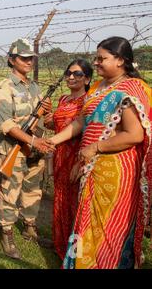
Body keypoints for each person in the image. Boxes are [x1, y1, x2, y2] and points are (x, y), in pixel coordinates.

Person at [50, 36, 152, 269]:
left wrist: (94, 148)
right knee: (85, 223)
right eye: (96, 58)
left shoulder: (130, 89)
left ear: (120, 61)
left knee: (107, 228)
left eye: (101, 58)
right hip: (92, 167)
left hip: (115, 172)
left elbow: (134, 134)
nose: (95, 63)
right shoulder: (97, 88)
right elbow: (82, 122)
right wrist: (53, 141)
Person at [0, 38, 54, 260]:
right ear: (12, 59)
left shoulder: (35, 87)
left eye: (31, 58)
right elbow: (7, 124)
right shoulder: (4, 88)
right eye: (24, 58)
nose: (29, 62)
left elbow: (45, 121)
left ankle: (30, 228)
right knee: (9, 192)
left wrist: (48, 113)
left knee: (33, 191)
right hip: (13, 151)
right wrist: (32, 140)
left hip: (34, 150)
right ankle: (7, 233)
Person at [44, 59, 93, 260]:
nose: (71, 77)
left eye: (78, 74)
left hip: (77, 158)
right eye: (69, 73)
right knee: (61, 200)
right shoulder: (63, 99)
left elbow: (89, 132)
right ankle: (61, 245)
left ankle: (76, 254)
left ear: (87, 79)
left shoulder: (89, 101)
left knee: (76, 205)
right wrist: (48, 116)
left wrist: (79, 163)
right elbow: (58, 127)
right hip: (60, 156)